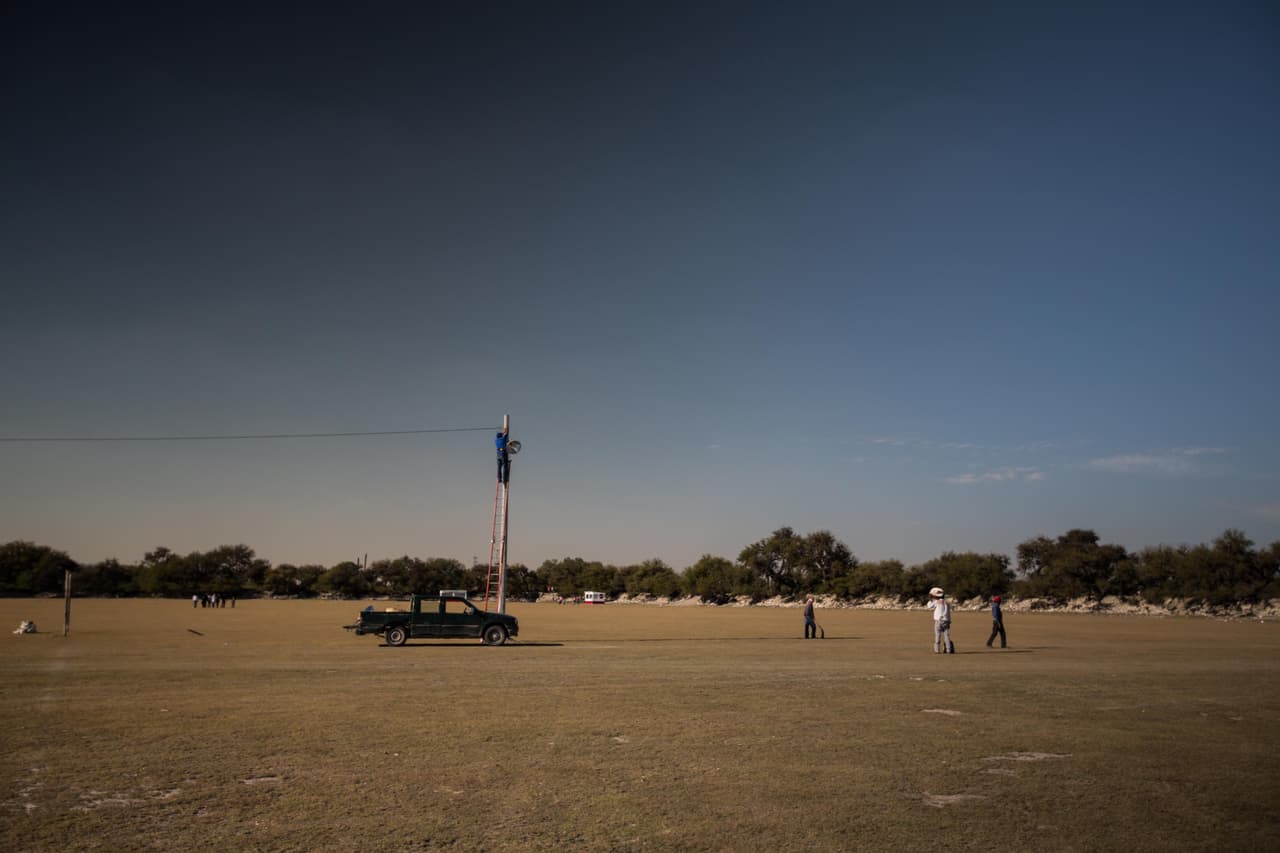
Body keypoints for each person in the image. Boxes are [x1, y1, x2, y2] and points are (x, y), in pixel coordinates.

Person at [927, 587, 953, 654]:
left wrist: (930, 599)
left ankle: (937, 650)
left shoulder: (936, 602)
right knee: (947, 636)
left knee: (937, 635)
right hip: (946, 620)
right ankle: (948, 649)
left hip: (938, 620)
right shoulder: (947, 601)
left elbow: (929, 606)